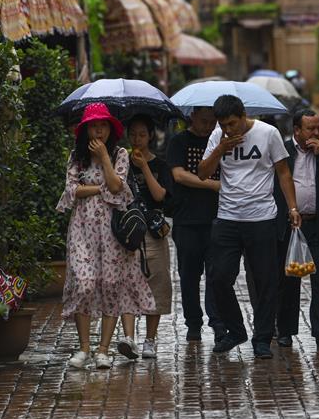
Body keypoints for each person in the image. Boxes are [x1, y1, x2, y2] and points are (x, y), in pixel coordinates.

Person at [198, 95, 301, 359]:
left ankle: (263, 338)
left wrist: (292, 208)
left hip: (262, 218)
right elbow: (202, 172)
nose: (228, 129)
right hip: (228, 218)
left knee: (266, 281)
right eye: (223, 124)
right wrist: (220, 148)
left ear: (243, 115)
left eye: (232, 123)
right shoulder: (218, 136)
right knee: (219, 278)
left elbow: (283, 173)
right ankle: (236, 330)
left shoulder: (269, 133)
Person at [56, 103, 155, 370]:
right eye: (93, 125)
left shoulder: (120, 153)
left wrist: (104, 159)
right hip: (82, 228)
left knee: (111, 285)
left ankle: (102, 350)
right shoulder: (77, 156)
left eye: (103, 125)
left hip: (112, 229)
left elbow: (116, 185)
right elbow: (72, 190)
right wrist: (100, 188)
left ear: (111, 129)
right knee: (84, 282)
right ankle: (84, 348)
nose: (98, 130)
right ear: (85, 129)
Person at [274, 108, 319, 351]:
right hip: (290, 225)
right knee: (288, 280)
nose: (316, 132)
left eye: (318, 128)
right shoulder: (282, 150)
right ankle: (284, 331)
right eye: (310, 129)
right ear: (297, 130)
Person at [166, 107, 225, 342]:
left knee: (217, 274)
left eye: (213, 122)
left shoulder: (220, 142)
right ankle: (193, 323)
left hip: (217, 218)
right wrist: (211, 184)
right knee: (189, 276)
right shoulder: (178, 142)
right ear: (192, 118)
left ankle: (218, 322)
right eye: (203, 121)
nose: (208, 126)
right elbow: (179, 175)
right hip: (187, 219)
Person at [118, 115, 172, 360]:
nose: (137, 139)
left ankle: (150, 339)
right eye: (133, 134)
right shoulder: (120, 163)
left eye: (142, 134)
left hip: (153, 230)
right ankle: (129, 338)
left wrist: (145, 167)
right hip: (128, 230)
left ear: (150, 135)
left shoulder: (160, 164)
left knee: (157, 283)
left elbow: (160, 195)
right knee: (126, 282)